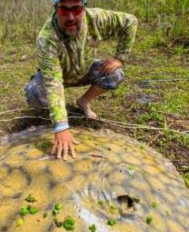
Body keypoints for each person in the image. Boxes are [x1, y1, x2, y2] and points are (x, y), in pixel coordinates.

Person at [25, 0, 137, 160]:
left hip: (85, 70)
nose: (71, 17)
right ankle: (53, 114)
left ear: (84, 7)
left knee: (116, 74)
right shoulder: (47, 38)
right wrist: (61, 126)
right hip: (59, 77)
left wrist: (120, 57)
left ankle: (83, 101)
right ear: (56, 9)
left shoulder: (96, 19)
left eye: (76, 9)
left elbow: (130, 21)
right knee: (33, 93)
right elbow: (53, 83)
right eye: (64, 10)